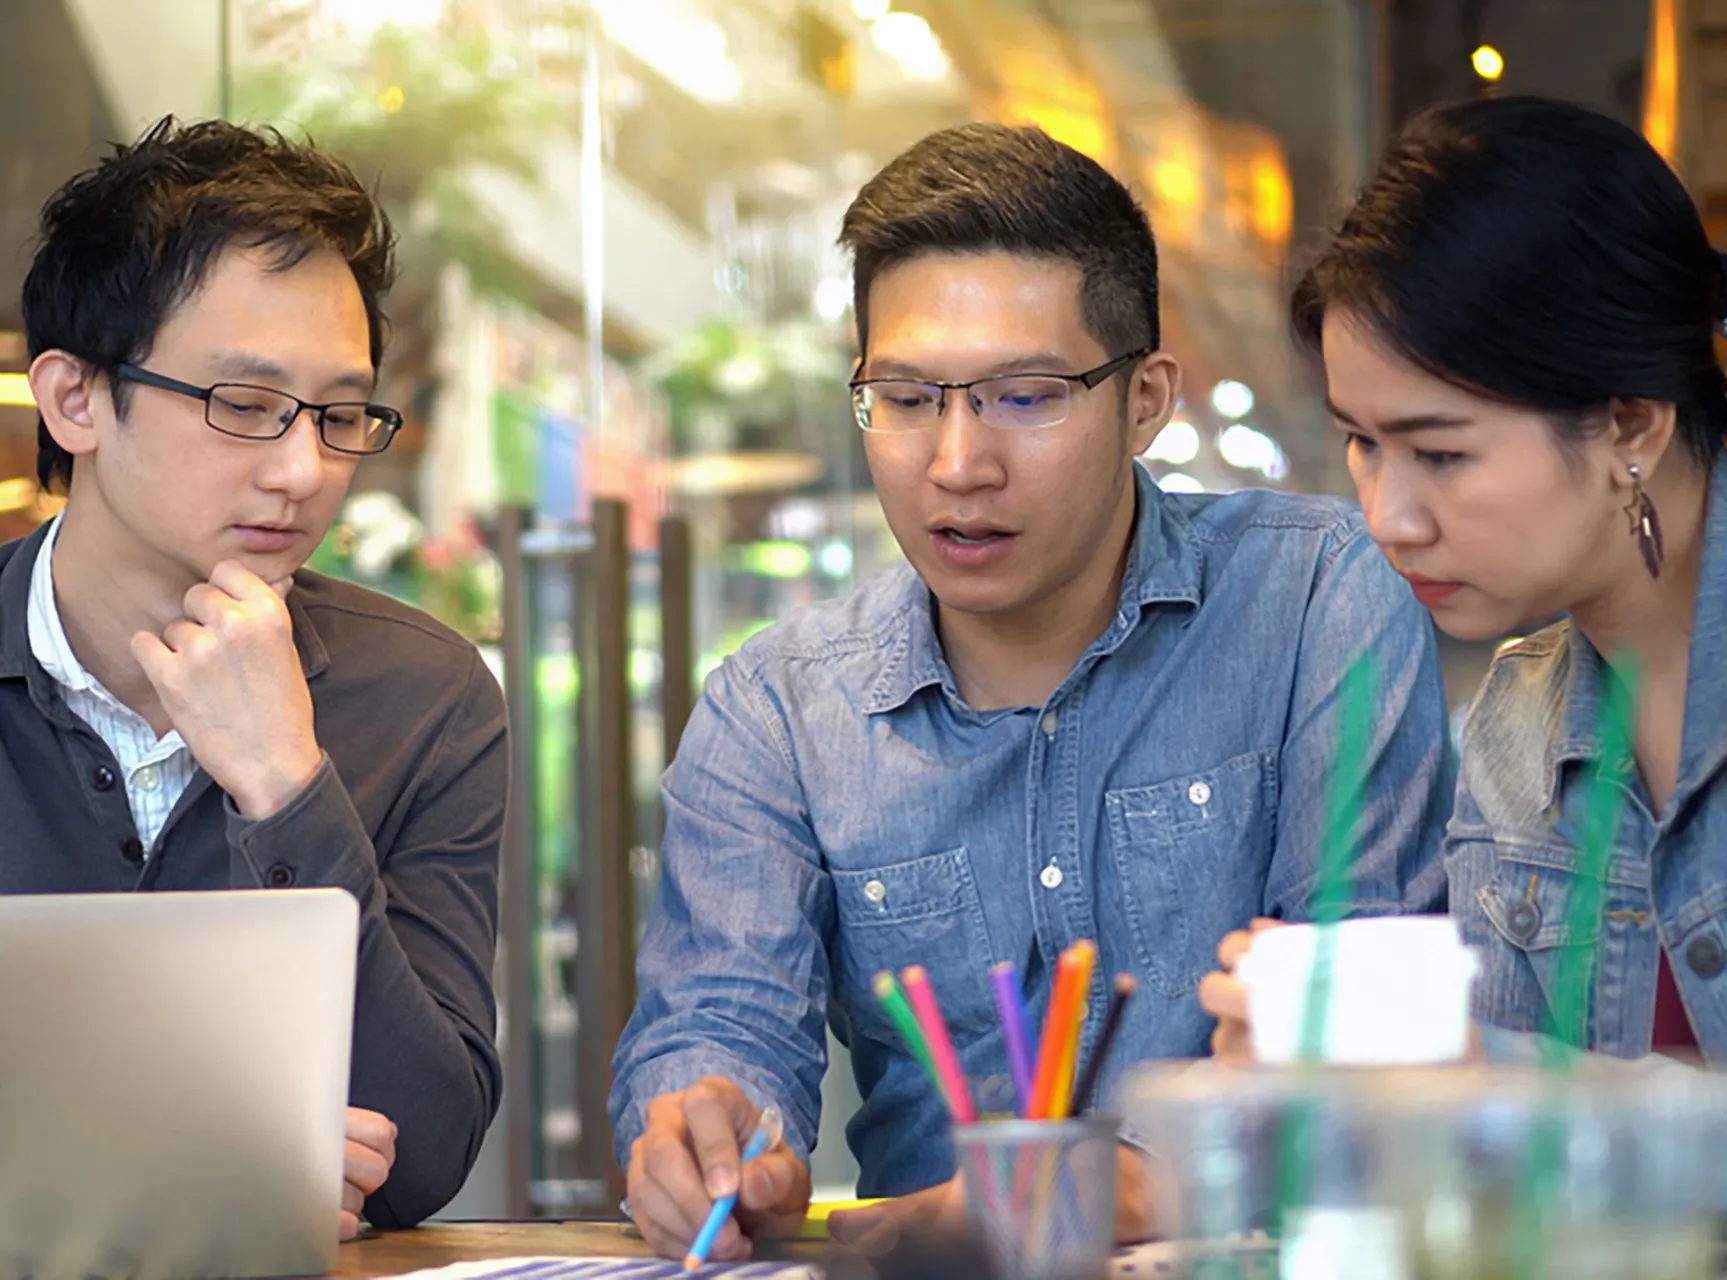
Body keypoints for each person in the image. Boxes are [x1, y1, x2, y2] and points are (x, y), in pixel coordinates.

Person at [611, 121, 1455, 1262]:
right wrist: (708, 1131)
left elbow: (1359, 1013)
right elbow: (721, 1018)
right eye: (906, 398)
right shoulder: (780, 707)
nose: (958, 463)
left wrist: (1141, 1187)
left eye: (1024, 395)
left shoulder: (1317, 600)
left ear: (1146, 398)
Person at [1203, 94, 1727, 1245]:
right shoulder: (1515, 716)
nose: (1387, 515)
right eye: (1361, 439)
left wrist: (1495, 1085)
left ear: (1630, 426)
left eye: (1440, 450)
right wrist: (1336, 1089)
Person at [1, 118, 506, 1236]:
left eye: (338, 414)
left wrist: (286, 783)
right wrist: (181, 1161)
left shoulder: (426, 694)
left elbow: (421, 1153)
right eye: (241, 404)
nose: (302, 469)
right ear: (75, 398)